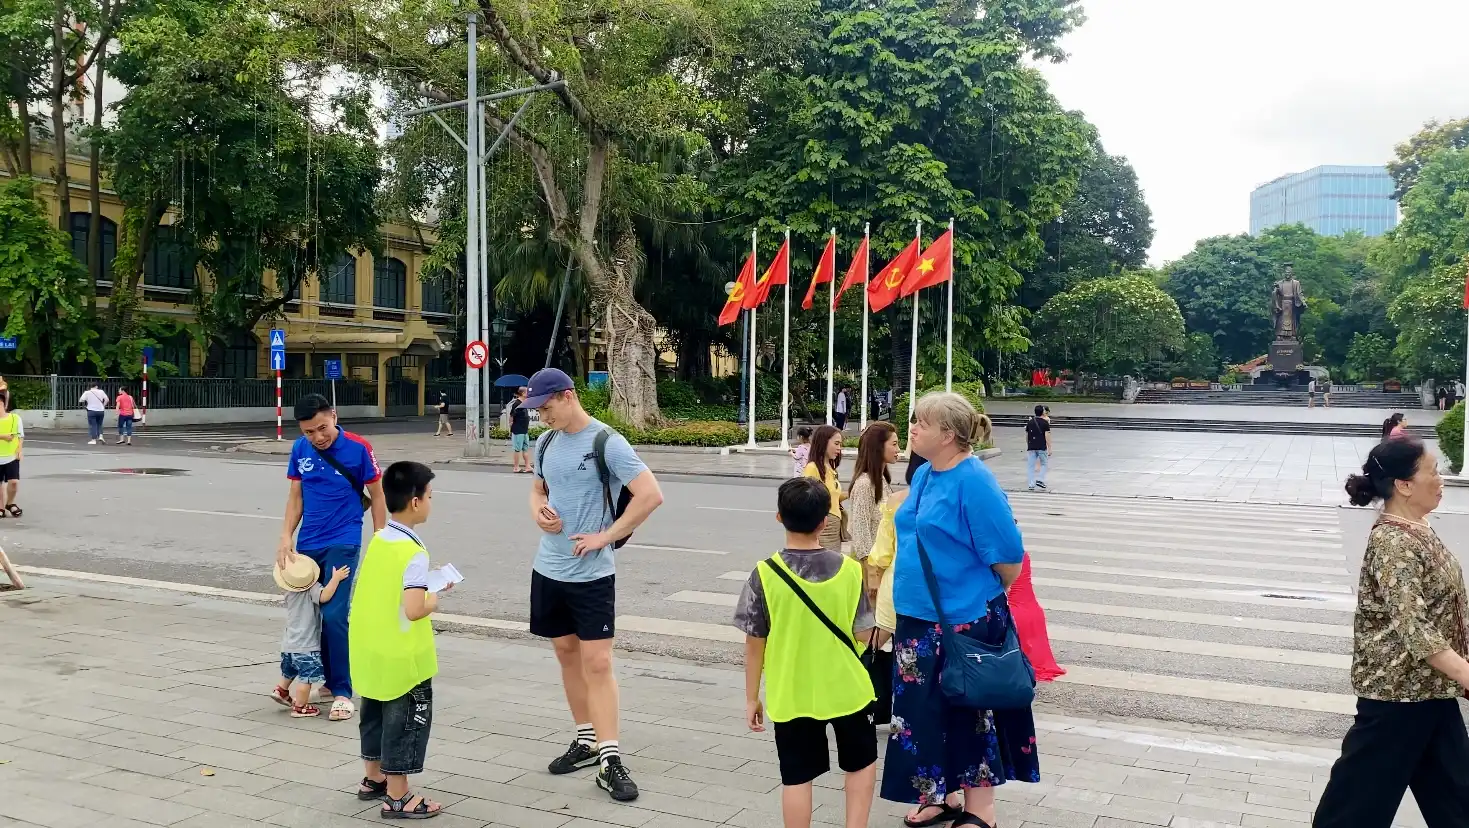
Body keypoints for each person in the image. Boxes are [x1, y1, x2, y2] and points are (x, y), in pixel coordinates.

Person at [882, 391, 1037, 828]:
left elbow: (1008, 556)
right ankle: (940, 794)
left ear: (948, 435)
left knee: (970, 711)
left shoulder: (974, 480)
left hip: (964, 620)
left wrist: (975, 597)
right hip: (916, 618)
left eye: (921, 423)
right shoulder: (928, 473)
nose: (911, 429)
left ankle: (980, 810)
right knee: (922, 714)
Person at [525, 368, 664, 802]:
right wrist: (539, 510)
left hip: (592, 574)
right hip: (549, 567)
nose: (542, 416)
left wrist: (605, 536)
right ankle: (585, 740)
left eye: (546, 408)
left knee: (598, 663)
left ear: (567, 397)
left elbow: (650, 494)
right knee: (566, 655)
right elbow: (537, 490)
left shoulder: (607, 442)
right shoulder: (545, 442)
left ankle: (609, 757)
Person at [1313, 438, 1467, 827]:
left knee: (1458, 800)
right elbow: (1416, 627)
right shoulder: (1393, 542)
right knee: (1354, 809)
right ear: (1404, 485)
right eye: (1432, 471)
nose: (1440, 479)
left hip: (1430, 691)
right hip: (1396, 697)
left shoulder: (1417, 528)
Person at [733, 477, 877, 828]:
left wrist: (752, 697)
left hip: (792, 693)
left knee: (797, 777)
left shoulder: (764, 574)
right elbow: (863, 632)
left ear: (779, 517)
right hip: (847, 689)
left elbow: (754, 644)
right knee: (860, 763)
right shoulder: (848, 570)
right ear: (825, 521)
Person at [277, 393, 387, 722]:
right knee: (310, 614)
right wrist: (286, 536)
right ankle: (321, 680)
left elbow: (378, 496)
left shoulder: (358, 448)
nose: (318, 437)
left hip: (344, 541)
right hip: (309, 544)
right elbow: (296, 496)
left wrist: (380, 540)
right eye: (309, 432)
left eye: (322, 428)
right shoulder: (300, 449)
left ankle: (342, 690)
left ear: (334, 417)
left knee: (335, 613)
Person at [350, 461, 447, 818]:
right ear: (416, 502)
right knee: (406, 722)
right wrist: (434, 597)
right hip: (404, 656)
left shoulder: (380, 538)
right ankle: (399, 795)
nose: (431, 502)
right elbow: (414, 609)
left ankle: (372, 778)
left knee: (373, 715)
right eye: (431, 496)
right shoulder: (414, 552)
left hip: (372, 647)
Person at [270, 555, 350, 718]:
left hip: (289, 643)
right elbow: (325, 596)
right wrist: (336, 578)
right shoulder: (311, 589)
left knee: (289, 671)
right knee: (306, 678)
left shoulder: (289, 591)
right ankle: (300, 707)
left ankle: (281, 690)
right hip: (306, 646)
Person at [847, 422, 898, 575]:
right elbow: (860, 531)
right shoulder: (864, 484)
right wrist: (870, 572)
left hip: (882, 565)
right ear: (879, 447)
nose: (898, 450)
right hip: (871, 570)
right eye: (894, 444)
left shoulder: (881, 480)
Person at [802, 425, 846, 551]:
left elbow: (833, 497)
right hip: (822, 527)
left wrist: (851, 492)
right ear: (823, 442)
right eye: (836, 443)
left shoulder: (830, 468)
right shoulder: (813, 468)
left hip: (834, 526)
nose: (839, 448)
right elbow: (807, 499)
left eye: (840, 444)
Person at [0, 392, 21, 518]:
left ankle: (10, 503)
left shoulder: (15, 418)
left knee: (13, 482)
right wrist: (2, 436)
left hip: (11, 456)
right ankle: (1, 507)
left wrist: (20, 450)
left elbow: (20, 435)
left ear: (4, 404)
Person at [1024, 403, 1051, 492]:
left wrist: (1029, 445)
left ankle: (1031, 484)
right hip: (1041, 446)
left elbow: (1027, 435)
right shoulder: (1045, 423)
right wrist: (1049, 447)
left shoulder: (1030, 422)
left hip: (1031, 446)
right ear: (1042, 412)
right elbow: (1047, 435)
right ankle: (1040, 479)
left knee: (1031, 466)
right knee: (1044, 463)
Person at [509, 386, 533, 473]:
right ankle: (516, 467)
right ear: (523, 393)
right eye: (527, 392)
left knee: (525, 448)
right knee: (517, 449)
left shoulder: (524, 402)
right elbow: (512, 416)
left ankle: (528, 466)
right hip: (518, 430)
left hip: (524, 430)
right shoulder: (517, 403)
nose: (528, 394)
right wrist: (511, 425)